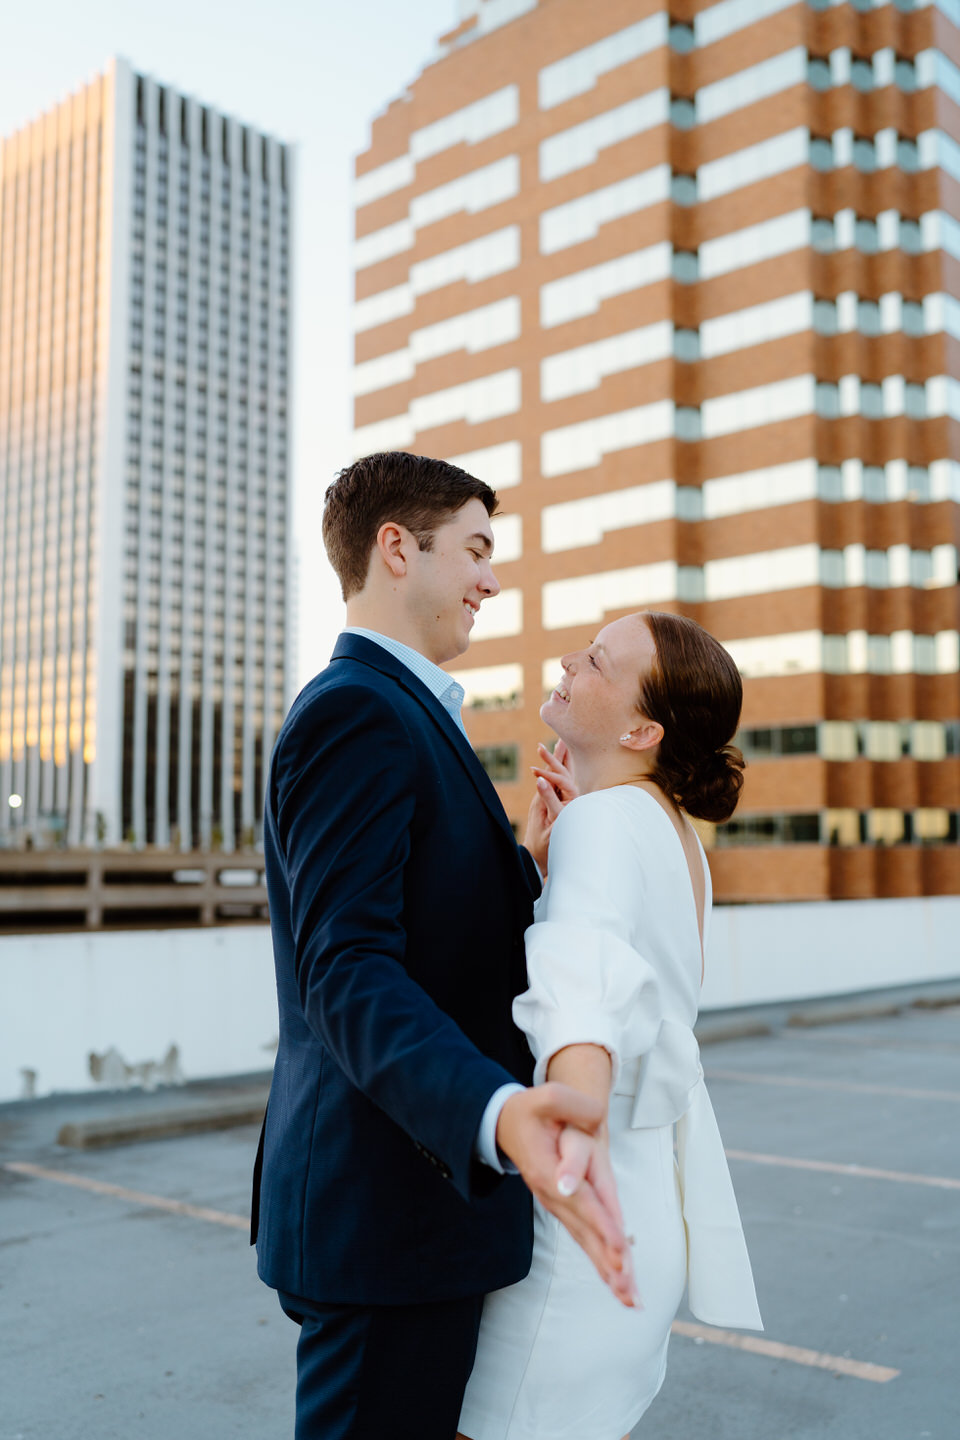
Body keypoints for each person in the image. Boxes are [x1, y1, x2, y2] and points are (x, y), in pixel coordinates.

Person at [251, 452, 633, 1440]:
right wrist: (497, 1111)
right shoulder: (357, 712)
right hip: (386, 1219)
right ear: (395, 549)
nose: (491, 580)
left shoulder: (404, 710)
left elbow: (430, 934)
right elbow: (346, 969)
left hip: (413, 1224)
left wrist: (526, 870)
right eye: (474, 549)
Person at [458, 610, 763, 1440]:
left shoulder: (602, 822)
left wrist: (573, 1118)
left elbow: (585, 980)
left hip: (577, 1243)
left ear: (640, 727)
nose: (567, 658)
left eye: (594, 660)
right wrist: (542, 873)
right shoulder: (670, 833)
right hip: (638, 1227)